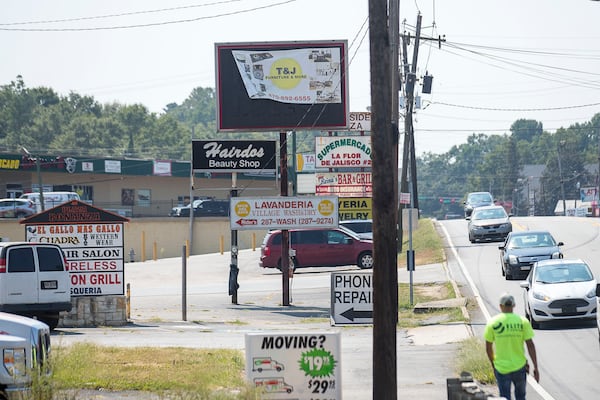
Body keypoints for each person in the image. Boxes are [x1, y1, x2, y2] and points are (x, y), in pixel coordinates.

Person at [484, 293, 539, 400]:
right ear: (514, 305)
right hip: (519, 366)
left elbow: (488, 347)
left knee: (504, 397)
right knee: (521, 397)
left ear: (500, 306)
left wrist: (493, 363)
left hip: (501, 367)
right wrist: (535, 367)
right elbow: (530, 346)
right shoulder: (522, 322)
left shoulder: (493, 323)